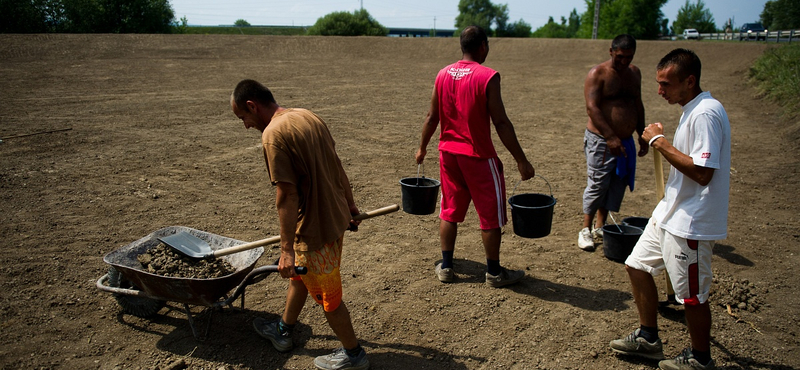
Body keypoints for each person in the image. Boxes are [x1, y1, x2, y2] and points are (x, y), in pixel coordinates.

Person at [231, 79, 369, 370]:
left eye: (243, 118)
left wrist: (287, 249)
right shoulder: (308, 115)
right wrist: (351, 205)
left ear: (252, 106)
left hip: (313, 233)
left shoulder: (272, 135)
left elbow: (287, 194)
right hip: (335, 220)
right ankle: (283, 331)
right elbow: (337, 164)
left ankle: (354, 355)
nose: (245, 125)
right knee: (301, 279)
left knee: (329, 298)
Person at [609, 49, 731, 370]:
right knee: (636, 266)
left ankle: (700, 359)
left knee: (691, 296)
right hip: (669, 214)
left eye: (666, 84)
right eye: (658, 83)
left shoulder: (706, 113)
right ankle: (649, 337)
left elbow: (704, 173)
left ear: (689, 81)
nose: (659, 90)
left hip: (691, 222)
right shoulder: (692, 108)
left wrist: (659, 142)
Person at [415, 25, 536, 287]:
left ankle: (446, 267)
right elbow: (501, 123)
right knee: (490, 215)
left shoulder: (443, 74)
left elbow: (431, 116)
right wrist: (521, 160)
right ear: (482, 46)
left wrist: (422, 147)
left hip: (448, 154)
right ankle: (494, 272)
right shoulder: (488, 76)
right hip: (479, 157)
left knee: (449, 211)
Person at [578, 34, 649, 251]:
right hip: (601, 139)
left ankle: (601, 225)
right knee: (598, 183)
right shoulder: (598, 74)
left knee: (616, 183)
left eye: (629, 57)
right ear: (611, 51)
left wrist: (642, 134)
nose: (624, 61)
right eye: (620, 57)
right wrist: (610, 136)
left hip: (624, 141)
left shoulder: (634, 73)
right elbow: (592, 107)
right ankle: (585, 229)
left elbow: (637, 103)